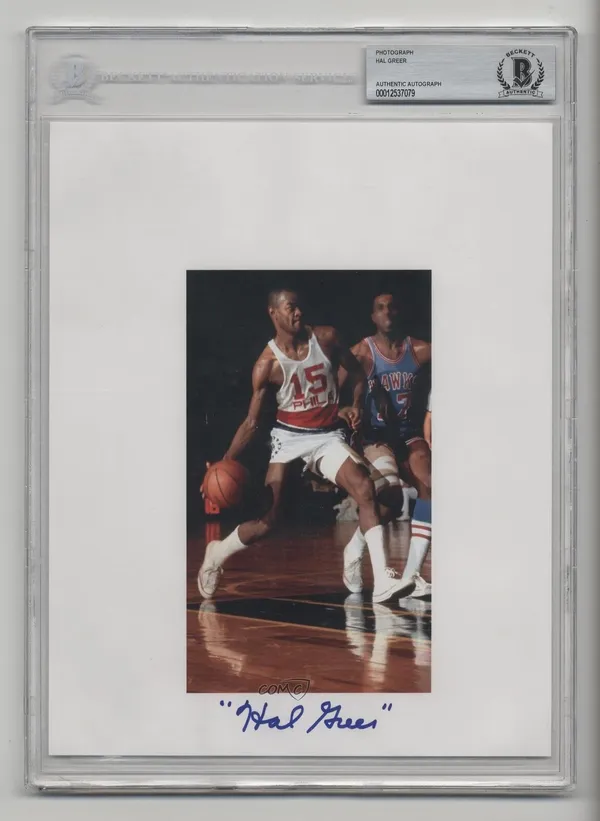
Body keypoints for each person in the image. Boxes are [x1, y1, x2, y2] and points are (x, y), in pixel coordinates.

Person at [197, 288, 416, 604]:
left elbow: (357, 372)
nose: (298, 313)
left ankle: (381, 578)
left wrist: (353, 405)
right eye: (290, 308)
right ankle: (217, 554)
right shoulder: (267, 364)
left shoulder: (326, 339)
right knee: (269, 520)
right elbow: (252, 423)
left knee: (366, 489)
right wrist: (223, 462)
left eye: (299, 307)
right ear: (274, 313)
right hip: (288, 439)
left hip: (326, 437)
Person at [341, 292, 432, 600]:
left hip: (406, 433)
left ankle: (411, 577)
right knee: (391, 499)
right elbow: (333, 386)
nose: (387, 312)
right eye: (380, 308)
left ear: (399, 312)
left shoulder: (418, 349)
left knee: (429, 485)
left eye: (392, 306)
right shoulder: (361, 352)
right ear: (373, 317)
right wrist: (346, 410)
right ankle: (354, 548)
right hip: (375, 435)